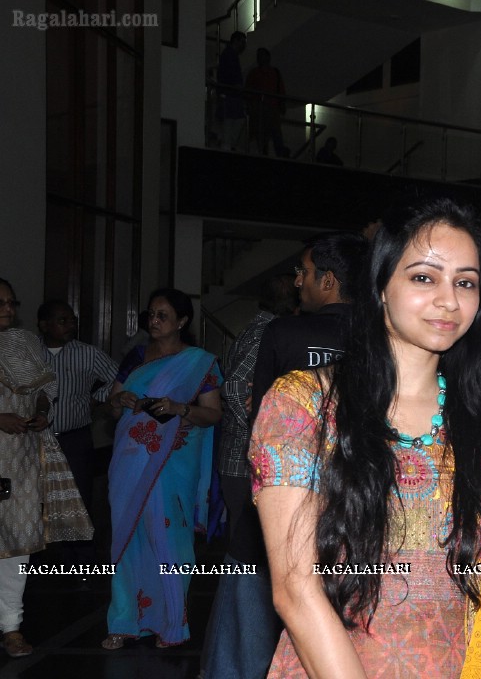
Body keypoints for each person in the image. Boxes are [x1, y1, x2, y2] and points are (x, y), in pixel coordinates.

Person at [250, 199, 481, 677]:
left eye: (465, 282)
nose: (449, 300)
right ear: (379, 287)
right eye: (423, 277)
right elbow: (295, 588)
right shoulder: (301, 405)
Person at [102, 288, 223, 650]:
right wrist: (118, 400)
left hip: (173, 464)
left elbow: (213, 413)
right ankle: (124, 621)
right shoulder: (135, 358)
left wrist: (179, 408)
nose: (153, 322)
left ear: (182, 322)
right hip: (129, 461)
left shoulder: (200, 362)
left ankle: (171, 623)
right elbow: (112, 406)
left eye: (163, 316)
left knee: (169, 538)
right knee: (128, 535)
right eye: (151, 315)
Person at [202, 274, 296, 679]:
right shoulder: (265, 331)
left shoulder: (266, 329)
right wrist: (264, 434)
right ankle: (231, 663)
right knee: (247, 561)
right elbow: (236, 385)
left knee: (249, 563)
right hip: (247, 463)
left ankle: (231, 661)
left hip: (251, 460)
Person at [0, 279, 92, 658]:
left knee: (17, 544)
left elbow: (45, 387)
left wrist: (40, 412)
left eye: (11, 301)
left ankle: (11, 627)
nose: (8, 307)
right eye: (0, 302)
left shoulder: (23, 342)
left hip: (19, 455)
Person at [36, 300, 119, 563]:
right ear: (44, 325)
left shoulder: (87, 353)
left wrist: (97, 398)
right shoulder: (30, 353)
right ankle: (37, 559)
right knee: (36, 498)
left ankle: (81, 562)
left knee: (78, 499)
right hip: (35, 439)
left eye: (72, 320)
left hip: (75, 439)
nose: (70, 325)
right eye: (62, 320)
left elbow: (119, 378)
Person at [250, 232, 364, 415]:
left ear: (327, 281)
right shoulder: (383, 337)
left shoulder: (282, 332)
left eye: (303, 271)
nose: (297, 281)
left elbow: (261, 415)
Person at [245, 47, 288, 158]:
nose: (259, 58)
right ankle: (264, 155)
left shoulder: (274, 72)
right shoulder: (254, 73)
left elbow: (280, 90)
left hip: (271, 109)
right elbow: (248, 91)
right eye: (258, 56)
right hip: (260, 109)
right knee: (262, 135)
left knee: (274, 135)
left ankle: (277, 155)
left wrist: (282, 104)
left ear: (267, 57)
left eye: (261, 55)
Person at [217, 31, 247, 151]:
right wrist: (237, 86)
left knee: (231, 121)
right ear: (236, 41)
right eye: (242, 42)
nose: (244, 45)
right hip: (230, 94)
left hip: (230, 94)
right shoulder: (230, 55)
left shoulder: (229, 54)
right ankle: (227, 145)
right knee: (231, 122)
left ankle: (226, 144)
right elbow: (230, 75)